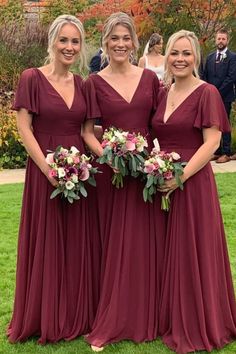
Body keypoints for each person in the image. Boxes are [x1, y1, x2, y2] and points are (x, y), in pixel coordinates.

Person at [7, 15, 100, 344]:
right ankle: (45, 316)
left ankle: (76, 314)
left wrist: (110, 157)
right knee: (47, 241)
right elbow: (24, 129)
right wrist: (49, 170)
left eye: (75, 42)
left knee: (76, 242)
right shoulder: (31, 78)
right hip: (44, 172)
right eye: (64, 40)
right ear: (52, 42)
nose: (70, 47)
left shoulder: (83, 85)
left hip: (79, 174)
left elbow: (87, 132)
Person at [82, 12, 166, 352]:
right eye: (113, 38)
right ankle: (114, 317)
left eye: (125, 37)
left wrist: (161, 162)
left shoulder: (149, 79)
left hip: (144, 173)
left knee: (147, 244)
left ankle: (152, 314)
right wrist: (108, 156)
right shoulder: (94, 83)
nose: (120, 43)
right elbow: (87, 131)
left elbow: (161, 124)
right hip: (113, 175)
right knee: (117, 246)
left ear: (134, 42)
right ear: (105, 41)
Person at [151, 29, 236, 353]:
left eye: (187, 53)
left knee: (192, 251)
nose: (180, 59)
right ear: (167, 56)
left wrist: (180, 176)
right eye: (175, 53)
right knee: (168, 252)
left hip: (192, 181)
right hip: (162, 182)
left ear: (196, 58)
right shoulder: (162, 93)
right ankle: (169, 316)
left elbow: (212, 142)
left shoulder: (207, 93)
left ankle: (197, 320)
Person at [203, 29, 236, 163]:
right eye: (219, 39)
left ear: (227, 41)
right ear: (215, 40)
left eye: (223, 39)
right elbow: (205, 75)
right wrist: (209, 92)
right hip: (211, 97)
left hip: (225, 96)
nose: (220, 41)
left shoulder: (233, 57)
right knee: (213, 124)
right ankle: (216, 151)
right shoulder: (210, 57)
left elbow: (231, 77)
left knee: (225, 123)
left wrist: (217, 92)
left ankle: (226, 152)